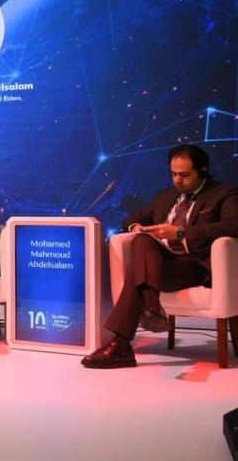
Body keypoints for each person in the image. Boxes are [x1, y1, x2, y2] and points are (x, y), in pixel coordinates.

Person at [83, 145, 238, 369]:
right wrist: (136, 227)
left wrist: (180, 233)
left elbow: (233, 226)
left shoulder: (223, 194)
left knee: (135, 272)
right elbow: (130, 219)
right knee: (141, 240)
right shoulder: (167, 196)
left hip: (195, 265)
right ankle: (151, 307)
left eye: (184, 175)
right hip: (163, 265)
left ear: (202, 171)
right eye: (173, 174)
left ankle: (122, 343)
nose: (177, 180)